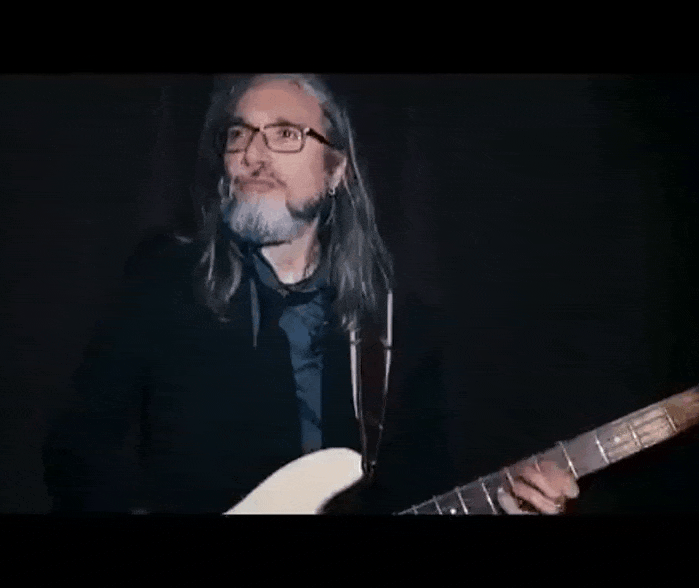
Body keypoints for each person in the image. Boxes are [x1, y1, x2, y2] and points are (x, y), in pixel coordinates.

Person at [42, 74, 579, 514]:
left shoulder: (400, 324)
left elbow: (419, 493)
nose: (252, 155)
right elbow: (78, 454)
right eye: (239, 134)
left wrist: (507, 507)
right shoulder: (165, 279)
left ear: (336, 170)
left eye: (285, 134)